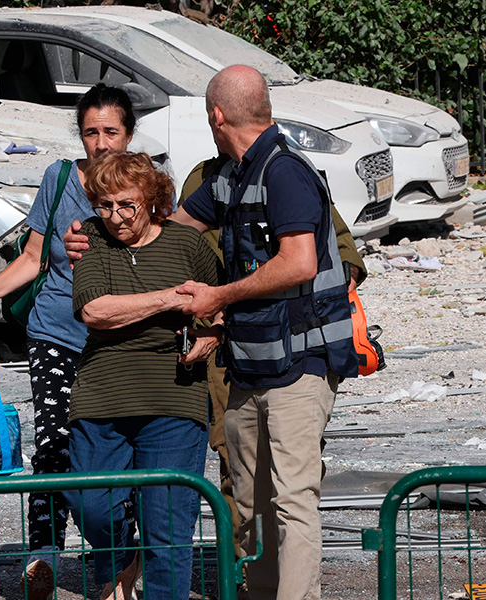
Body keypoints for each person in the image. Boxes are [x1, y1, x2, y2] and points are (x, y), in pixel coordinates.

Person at [166, 65, 358, 600]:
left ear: (216, 116)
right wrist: (94, 234)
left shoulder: (285, 171)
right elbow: (174, 229)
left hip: (301, 367)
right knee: (250, 498)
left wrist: (219, 297)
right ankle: (260, 590)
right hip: (251, 367)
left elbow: (298, 263)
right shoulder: (231, 173)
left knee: (294, 498)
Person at [0, 84, 139, 599]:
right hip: (55, 333)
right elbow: (34, 258)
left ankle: (118, 565)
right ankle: (43, 558)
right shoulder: (59, 178)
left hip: (116, 342)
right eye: (90, 132)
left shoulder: (140, 185)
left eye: (111, 131)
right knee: (53, 445)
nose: (100, 143)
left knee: (114, 454)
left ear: (129, 134)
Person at [178, 158, 368, 559]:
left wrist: (298, 298)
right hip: (227, 353)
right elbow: (175, 250)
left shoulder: (287, 172)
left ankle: (286, 572)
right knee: (238, 476)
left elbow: (343, 255)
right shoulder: (205, 180)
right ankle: (245, 574)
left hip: (292, 355)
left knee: (293, 483)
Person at [66, 151, 221, 600]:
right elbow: (96, 311)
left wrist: (208, 337)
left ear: (152, 198)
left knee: (167, 525)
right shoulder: (90, 239)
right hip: (101, 397)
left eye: (126, 205)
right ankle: (120, 563)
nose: (115, 217)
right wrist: (172, 298)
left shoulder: (189, 246)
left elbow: (215, 308)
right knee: (91, 507)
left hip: (174, 399)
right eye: (104, 205)